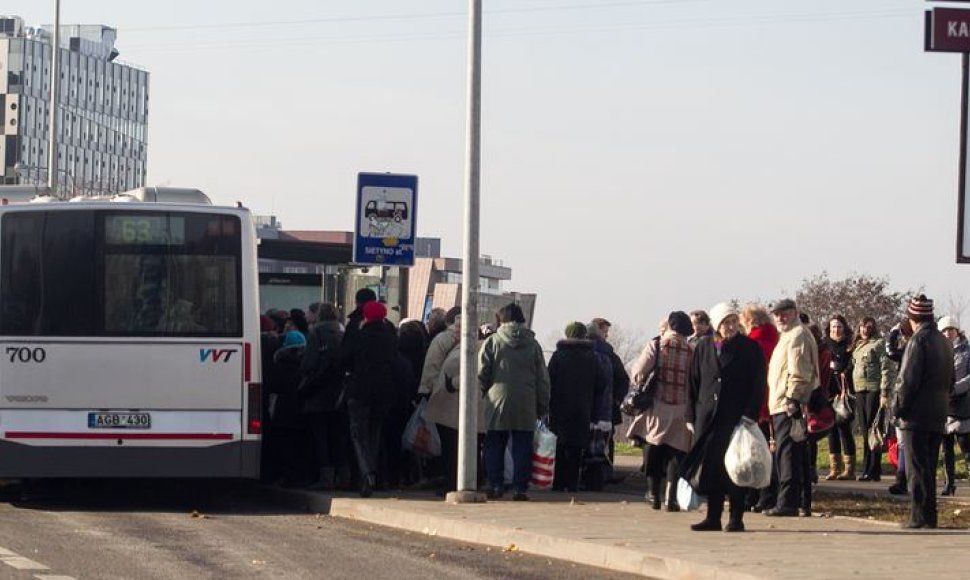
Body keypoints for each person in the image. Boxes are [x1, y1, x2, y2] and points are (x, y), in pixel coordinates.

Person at [681, 302, 766, 532]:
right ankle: (713, 517)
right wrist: (690, 414)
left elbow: (758, 384)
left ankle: (736, 517)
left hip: (736, 419)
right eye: (725, 323)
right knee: (712, 468)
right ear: (717, 325)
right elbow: (693, 382)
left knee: (735, 469)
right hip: (708, 418)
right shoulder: (704, 346)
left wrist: (750, 413)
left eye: (733, 322)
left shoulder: (750, 348)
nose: (730, 327)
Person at [892, 294, 954, 529]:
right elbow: (952, 380)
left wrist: (897, 408)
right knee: (927, 467)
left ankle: (919, 516)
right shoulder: (944, 342)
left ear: (913, 317)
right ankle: (930, 515)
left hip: (916, 416)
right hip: (938, 414)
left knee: (916, 469)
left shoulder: (917, 342)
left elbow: (907, 381)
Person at [479, 303, 551, 501]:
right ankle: (520, 488)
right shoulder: (533, 345)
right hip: (526, 401)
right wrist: (542, 405)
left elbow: (482, 372)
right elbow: (542, 379)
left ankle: (495, 485)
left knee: (494, 444)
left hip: (497, 399)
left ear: (500, 319)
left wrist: (486, 391)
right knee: (522, 446)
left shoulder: (492, 341)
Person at [627, 311, 694, 510]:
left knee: (653, 450)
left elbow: (638, 373)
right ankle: (671, 498)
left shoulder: (656, 345)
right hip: (682, 409)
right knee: (676, 454)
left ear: (670, 326)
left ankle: (653, 494)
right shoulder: (692, 350)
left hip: (658, 406)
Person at [765, 298, 818, 517]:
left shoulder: (798, 335)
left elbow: (800, 371)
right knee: (794, 454)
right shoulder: (787, 336)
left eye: (784, 313)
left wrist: (792, 398)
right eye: (776, 315)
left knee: (787, 454)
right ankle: (800, 501)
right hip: (781, 402)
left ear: (795, 312)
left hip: (788, 403)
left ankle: (788, 502)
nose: (780, 318)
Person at [341, 300, 399, 497]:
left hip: (360, 391)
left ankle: (366, 474)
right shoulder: (390, 337)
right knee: (375, 433)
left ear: (366, 315)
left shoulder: (359, 335)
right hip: (384, 392)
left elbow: (344, 359)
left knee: (358, 434)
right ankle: (372, 473)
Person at [547, 322, 606, 493]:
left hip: (560, 408)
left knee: (560, 446)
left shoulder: (558, 356)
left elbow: (549, 380)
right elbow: (601, 384)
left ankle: (558, 483)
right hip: (583, 409)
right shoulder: (592, 357)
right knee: (576, 448)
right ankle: (572, 483)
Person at [300, 303, 346, 490]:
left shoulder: (316, 333)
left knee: (320, 435)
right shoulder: (343, 333)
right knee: (338, 435)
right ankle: (342, 475)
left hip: (318, 392)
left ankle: (325, 476)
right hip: (339, 392)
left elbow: (309, 363)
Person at [739, 304, 779, 512]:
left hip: (758, 403)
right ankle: (767, 494)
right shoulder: (775, 338)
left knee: (754, 453)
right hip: (774, 401)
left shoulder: (752, 341)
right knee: (770, 452)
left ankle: (755, 495)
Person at [851, 316, 894, 482]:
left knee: (873, 430)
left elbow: (887, 368)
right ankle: (867, 467)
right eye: (862, 326)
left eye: (868, 327)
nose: (864, 330)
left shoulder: (879, 344)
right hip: (859, 390)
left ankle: (874, 469)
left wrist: (885, 392)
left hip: (874, 390)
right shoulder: (858, 346)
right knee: (864, 430)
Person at [589, 317, 630, 484]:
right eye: (605, 332)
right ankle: (605, 473)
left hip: (586, 406)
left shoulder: (581, 350)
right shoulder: (609, 354)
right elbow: (623, 378)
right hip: (606, 407)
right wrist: (616, 399)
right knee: (606, 441)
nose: (607, 335)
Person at [937, 316, 970, 496]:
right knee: (946, 446)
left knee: (965, 443)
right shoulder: (937, 351)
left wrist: (956, 388)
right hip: (942, 403)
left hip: (962, 402)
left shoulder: (966, 351)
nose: (948, 333)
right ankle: (949, 482)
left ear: (957, 331)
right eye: (944, 330)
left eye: (951, 329)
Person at [823, 314, 856, 481]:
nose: (836, 330)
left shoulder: (849, 345)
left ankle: (849, 469)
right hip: (828, 391)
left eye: (839, 327)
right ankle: (834, 468)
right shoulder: (824, 345)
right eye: (833, 327)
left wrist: (843, 371)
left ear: (844, 328)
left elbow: (852, 364)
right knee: (831, 430)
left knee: (844, 428)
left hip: (843, 392)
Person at [885, 318, 914, 495]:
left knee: (905, 442)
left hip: (906, 398)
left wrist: (893, 333)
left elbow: (890, 351)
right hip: (905, 397)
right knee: (903, 442)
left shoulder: (909, 350)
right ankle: (903, 478)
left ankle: (903, 479)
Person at [419, 307, 461, 400]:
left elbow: (432, 365)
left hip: (440, 394)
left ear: (447, 322)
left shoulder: (441, 339)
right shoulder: (476, 341)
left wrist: (426, 390)